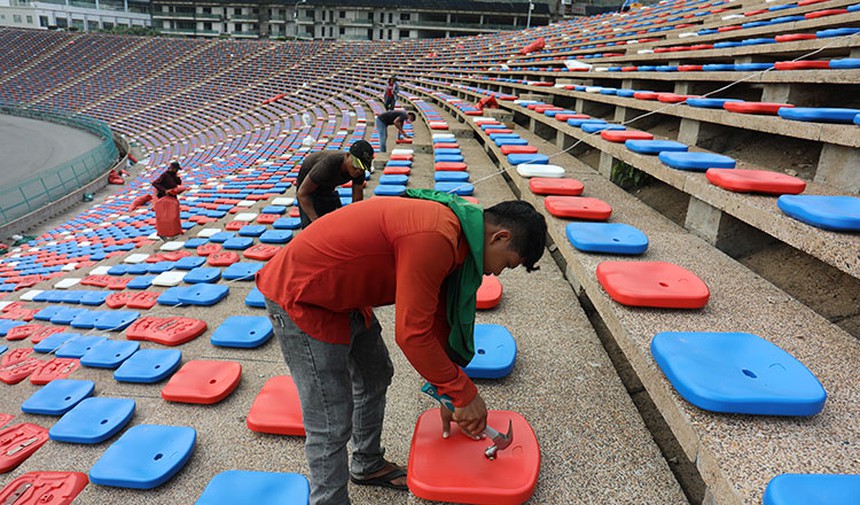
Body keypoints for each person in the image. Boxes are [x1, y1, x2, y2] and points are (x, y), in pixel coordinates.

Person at [256, 191, 547, 505]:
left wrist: (448, 391)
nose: (496, 273)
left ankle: (366, 464)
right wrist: (464, 393)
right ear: (499, 237)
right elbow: (412, 334)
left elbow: (435, 313)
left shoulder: (460, 231)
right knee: (331, 419)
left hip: (344, 293)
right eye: (506, 263)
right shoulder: (436, 235)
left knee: (376, 373)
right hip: (303, 296)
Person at [295, 140, 374, 229]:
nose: (358, 171)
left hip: (328, 187)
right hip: (308, 189)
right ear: (348, 156)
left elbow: (357, 201)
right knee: (311, 228)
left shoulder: (359, 171)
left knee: (331, 223)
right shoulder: (328, 165)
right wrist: (316, 221)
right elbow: (302, 193)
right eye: (356, 166)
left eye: (362, 168)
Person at [152, 161, 184, 240]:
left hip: (172, 197)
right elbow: (155, 183)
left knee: (174, 215)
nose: (177, 171)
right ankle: (164, 232)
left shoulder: (173, 176)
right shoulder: (164, 175)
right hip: (164, 198)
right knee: (165, 216)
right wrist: (165, 190)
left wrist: (176, 177)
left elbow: (179, 183)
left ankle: (176, 230)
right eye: (176, 169)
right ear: (172, 168)